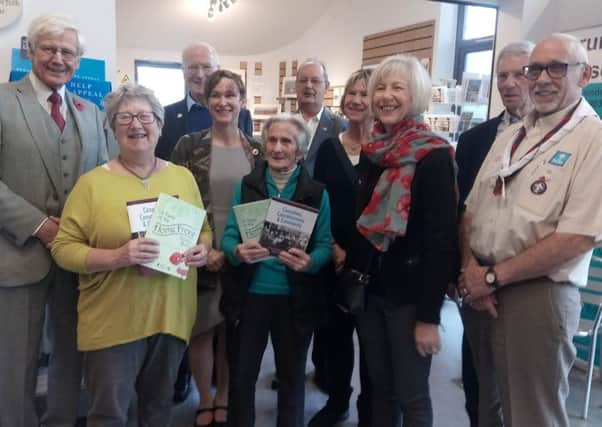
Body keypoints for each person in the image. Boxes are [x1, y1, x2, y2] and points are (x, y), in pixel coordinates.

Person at [459, 33, 602, 427]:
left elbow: (577, 237)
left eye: (557, 68)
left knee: (532, 415)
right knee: (486, 408)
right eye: (534, 69)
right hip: (481, 290)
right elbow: (471, 210)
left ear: (585, 74)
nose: (541, 79)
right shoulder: (511, 135)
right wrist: (472, 271)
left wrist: (491, 276)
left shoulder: (594, 139)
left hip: (536, 295)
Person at [51, 82, 211, 426]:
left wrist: (203, 249)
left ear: (159, 124)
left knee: (158, 408)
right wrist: (117, 257)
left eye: (145, 116)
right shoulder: (91, 184)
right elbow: (63, 249)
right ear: (111, 127)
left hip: (170, 317)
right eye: (124, 118)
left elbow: (204, 231)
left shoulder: (183, 177)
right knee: (108, 413)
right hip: (113, 322)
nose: (136, 125)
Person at [0, 14, 109, 427]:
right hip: (16, 255)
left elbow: (104, 181)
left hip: (76, 262)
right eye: (49, 49)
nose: (58, 59)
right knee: (14, 362)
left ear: (79, 60)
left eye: (68, 52)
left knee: (72, 354)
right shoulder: (2, 100)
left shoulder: (90, 111)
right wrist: (40, 225)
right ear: (30, 51)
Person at [355, 54, 458, 427]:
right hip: (372, 293)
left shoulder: (434, 156)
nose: (386, 96)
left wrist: (429, 317)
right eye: (379, 87)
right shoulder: (374, 152)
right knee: (381, 389)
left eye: (397, 87)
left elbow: (441, 242)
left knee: (412, 395)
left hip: (411, 299)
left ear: (415, 94)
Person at [221, 114, 332, 427]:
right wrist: (236, 251)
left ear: (300, 150)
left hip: (294, 299)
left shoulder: (316, 192)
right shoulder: (247, 186)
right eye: (272, 140)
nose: (278, 147)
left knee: (292, 376)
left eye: (287, 141)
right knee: (242, 376)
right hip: (251, 295)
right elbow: (229, 235)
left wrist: (311, 262)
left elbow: (324, 244)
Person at [171, 69, 263, 427]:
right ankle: (204, 398)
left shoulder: (256, 150)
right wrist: (203, 248)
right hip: (200, 253)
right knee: (202, 329)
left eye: (231, 94)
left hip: (242, 253)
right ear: (205, 101)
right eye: (216, 95)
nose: (223, 101)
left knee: (232, 330)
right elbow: (176, 200)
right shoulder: (188, 145)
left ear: (242, 100)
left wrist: (236, 250)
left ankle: (223, 397)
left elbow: (262, 203)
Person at [455, 40, 533, 427]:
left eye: (520, 73)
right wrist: (469, 272)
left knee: (522, 388)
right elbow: (464, 213)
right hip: (475, 282)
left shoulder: (563, 140)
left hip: (528, 284)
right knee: (477, 378)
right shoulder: (474, 141)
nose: (509, 83)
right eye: (502, 75)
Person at [309, 69, 374, 427]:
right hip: (334, 259)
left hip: (373, 261)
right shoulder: (329, 149)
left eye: (365, 93)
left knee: (373, 344)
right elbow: (316, 201)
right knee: (335, 337)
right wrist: (331, 245)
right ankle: (337, 400)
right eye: (352, 93)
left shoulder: (384, 150)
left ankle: (370, 407)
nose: (357, 100)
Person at [156, 42, 253, 161]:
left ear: (218, 69)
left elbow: (250, 161)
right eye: (193, 67)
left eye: (206, 67)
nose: (200, 74)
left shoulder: (243, 115)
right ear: (183, 71)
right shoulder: (165, 116)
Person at [294, 59, 346, 177]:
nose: (308, 85)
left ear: (326, 86)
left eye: (315, 81)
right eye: (303, 81)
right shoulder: (284, 124)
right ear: (296, 86)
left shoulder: (340, 127)